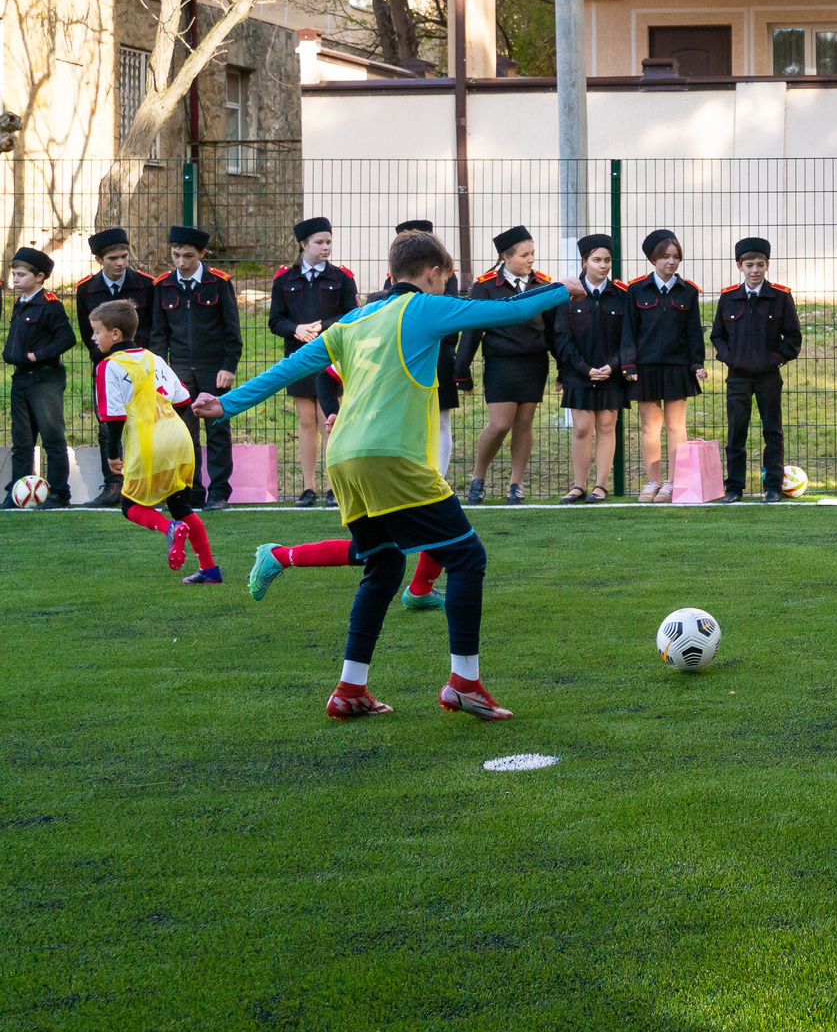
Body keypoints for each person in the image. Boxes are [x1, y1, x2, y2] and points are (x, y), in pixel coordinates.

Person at [202, 229, 586, 722]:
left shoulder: (354, 319)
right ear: (432, 274)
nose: (448, 288)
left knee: (381, 565)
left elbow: (286, 369)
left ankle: (349, 690)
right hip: (392, 456)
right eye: (446, 279)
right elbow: (501, 311)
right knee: (466, 558)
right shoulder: (424, 308)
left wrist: (226, 404)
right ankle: (463, 683)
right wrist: (563, 289)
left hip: (343, 458)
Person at [88, 300, 219, 582]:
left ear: (114, 334)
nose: (93, 338)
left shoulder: (107, 366)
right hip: (179, 438)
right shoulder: (154, 358)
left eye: (96, 332)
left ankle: (169, 529)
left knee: (130, 506)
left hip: (148, 444)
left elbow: (113, 418)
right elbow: (183, 399)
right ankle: (210, 569)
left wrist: (112, 454)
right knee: (181, 505)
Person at [454, 226, 555, 505]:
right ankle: (478, 478)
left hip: (534, 364)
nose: (531, 259)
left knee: (524, 424)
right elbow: (471, 330)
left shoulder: (543, 284)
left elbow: (553, 329)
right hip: (501, 363)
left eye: (533, 253)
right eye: (525, 255)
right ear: (506, 257)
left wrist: (564, 368)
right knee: (500, 424)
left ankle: (516, 484)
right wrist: (461, 372)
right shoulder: (486, 286)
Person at [269, 216, 362, 507]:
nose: (326, 247)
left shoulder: (342, 277)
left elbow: (352, 315)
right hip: (297, 357)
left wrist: (322, 326)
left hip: (331, 357)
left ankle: (334, 486)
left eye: (329, 242)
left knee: (329, 420)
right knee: (306, 421)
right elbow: (275, 320)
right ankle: (308, 488)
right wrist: (295, 329)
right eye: (319, 242)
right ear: (303, 245)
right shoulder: (284, 279)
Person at [149, 225, 240, 508]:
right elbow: (158, 335)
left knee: (217, 431)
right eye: (176, 255)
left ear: (202, 253)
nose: (181, 262)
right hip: (178, 374)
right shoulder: (162, 285)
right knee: (183, 434)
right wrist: (160, 373)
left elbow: (232, 332)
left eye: (188, 256)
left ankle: (219, 492)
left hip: (214, 370)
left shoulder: (219, 283)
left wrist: (228, 366)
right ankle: (191, 491)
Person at [714, 237, 802, 504]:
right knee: (736, 432)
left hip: (768, 377)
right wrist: (730, 358)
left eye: (760, 264)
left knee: (772, 431)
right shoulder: (729, 297)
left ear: (767, 265)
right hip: (738, 376)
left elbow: (793, 337)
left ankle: (773, 486)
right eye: (749, 265)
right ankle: (734, 488)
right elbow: (718, 336)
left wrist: (776, 360)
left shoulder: (780, 296)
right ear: (739, 266)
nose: (755, 270)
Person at [73, 227, 155, 510]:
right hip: (106, 368)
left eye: (124, 256)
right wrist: (105, 362)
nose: (120, 263)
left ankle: (144, 483)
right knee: (109, 424)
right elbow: (88, 334)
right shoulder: (86, 290)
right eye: (113, 258)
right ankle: (113, 485)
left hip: (141, 368)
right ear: (99, 260)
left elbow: (154, 328)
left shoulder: (146, 285)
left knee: (145, 423)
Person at [378, 219, 464, 478]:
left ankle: (439, 477)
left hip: (439, 355)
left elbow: (453, 314)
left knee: (441, 419)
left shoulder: (446, 274)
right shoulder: (392, 280)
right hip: (403, 358)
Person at [625, 229, 704, 502]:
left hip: (677, 367)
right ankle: (652, 482)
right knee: (650, 426)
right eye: (665, 257)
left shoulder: (689, 292)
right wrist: (629, 365)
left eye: (676, 257)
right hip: (644, 368)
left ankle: (673, 482)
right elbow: (629, 331)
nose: (671, 262)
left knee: (676, 426)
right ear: (652, 259)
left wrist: (697, 364)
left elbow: (694, 333)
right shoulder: (635, 290)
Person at [554, 234, 631, 502]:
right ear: (584, 261)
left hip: (611, 373)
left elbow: (628, 338)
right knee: (582, 428)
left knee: (607, 426)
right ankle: (578, 485)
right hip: (578, 373)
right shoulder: (569, 296)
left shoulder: (622, 295)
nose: (603, 265)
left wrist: (612, 366)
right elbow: (562, 339)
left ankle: (601, 486)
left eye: (607, 260)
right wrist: (585, 369)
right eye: (597, 260)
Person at [5, 246, 74, 508]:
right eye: (14, 274)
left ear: (40, 277)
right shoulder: (20, 303)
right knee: (22, 441)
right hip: (20, 379)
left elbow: (67, 338)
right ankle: (17, 492)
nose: (16, 279)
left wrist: (39, 355)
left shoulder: (49, 304)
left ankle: (59, 493)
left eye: (22, 275)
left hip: (44, 380)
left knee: (52, 437)